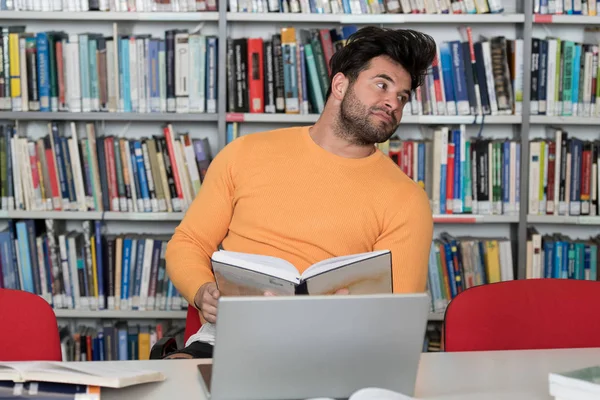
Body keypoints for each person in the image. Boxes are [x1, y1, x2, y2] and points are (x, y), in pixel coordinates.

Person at [162, 26, 437, 359]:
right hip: (231, 337)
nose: (393, 102)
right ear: (340, 84)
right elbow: (188, 242)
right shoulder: (245, 153)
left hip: (335, 348)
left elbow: (397, 313)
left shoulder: (406, 199)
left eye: (402, 97)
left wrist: (342, 318)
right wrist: (201, 290)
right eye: (382, 85)